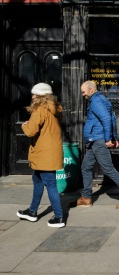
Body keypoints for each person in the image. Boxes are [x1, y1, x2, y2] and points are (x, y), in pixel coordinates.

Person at [77, 81, 119, 210]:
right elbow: (112, 119)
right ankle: (86, 197)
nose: (82, 94)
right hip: (95, 140)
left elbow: (106, 119)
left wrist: (109, 138)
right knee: (86, 167)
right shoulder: (100, 99)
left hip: (98, 140)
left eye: (83, 92)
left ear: (91, 90)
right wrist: (113, 137)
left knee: (108, 169)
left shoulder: (96, 101)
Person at [17, 83, 66, 228]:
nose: (32, 96)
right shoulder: (55, 108)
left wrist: (25, 125)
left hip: (44, 152)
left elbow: (30, 131)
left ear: (41, 96)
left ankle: (59, 217)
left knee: (50, 184)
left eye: (35, 94)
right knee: (37, 180)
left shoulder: (40, 109)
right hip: (49, 151)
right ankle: (32, 211)